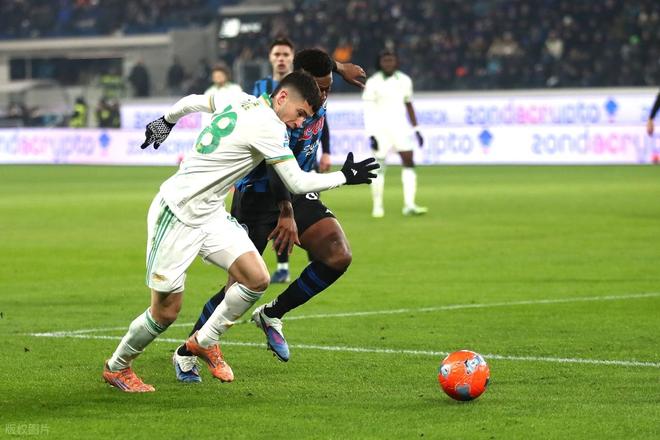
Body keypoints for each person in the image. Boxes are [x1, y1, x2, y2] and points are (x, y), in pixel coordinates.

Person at [102, 71, 378, 392]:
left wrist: (167, 120)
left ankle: (205, 340)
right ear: (282, 97)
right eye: (301, 113)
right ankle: (118, 366)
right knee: (165, 312)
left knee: (256, 278)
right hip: (177, 213)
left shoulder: (238, 98)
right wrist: (345, 176)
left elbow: (193, 101)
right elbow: (297, 182)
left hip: (210, 214)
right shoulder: (270, 126)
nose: (300, 123)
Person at [170, 49, 366, 382]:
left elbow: (314, 60)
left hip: (298, 188)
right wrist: (285, 212)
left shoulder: (315, 94)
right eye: (320, 88)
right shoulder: (279, 112)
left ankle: (272, 314)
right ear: (299, 82)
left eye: (328, 88)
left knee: (337, 255)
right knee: (239, 285)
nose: (323, 95)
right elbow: (276, 167)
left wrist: (339, 67)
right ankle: (188, 351)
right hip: (259, 196)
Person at [252, 38, 332, 283]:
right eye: (277, 54)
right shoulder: (261, 87)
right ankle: (283, 266)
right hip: (268, 172)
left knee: (322, 238)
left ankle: (308, 263)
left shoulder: (317, 86)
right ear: (270, 58)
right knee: (247, 267)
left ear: (293, 58)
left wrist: (326, 151)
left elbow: (322, 121)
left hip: (304, 170)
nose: (281, 58)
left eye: (285, 54)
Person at [362, 49, 427, 217]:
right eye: (385, 61)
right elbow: (368, 111)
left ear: (396, 62)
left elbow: (409, 105)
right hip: (380, 130)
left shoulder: (405, 80)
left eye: (391, 60)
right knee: (379, 167)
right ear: (380, 63)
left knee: (409, 162)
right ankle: (377, 206)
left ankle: (409, 205)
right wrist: (371, 134)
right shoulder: (373, 82)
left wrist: (416, 129)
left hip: (401, 128)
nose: (388, 64)